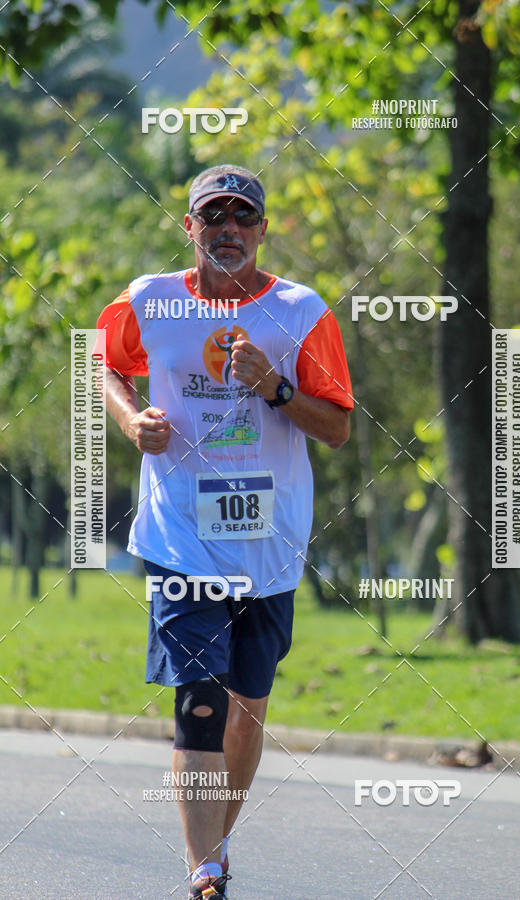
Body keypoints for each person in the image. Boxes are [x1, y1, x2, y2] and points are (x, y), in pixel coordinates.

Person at [97, 164, 353, 899]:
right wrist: (129, 418)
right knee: (200, 702)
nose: (229, 229)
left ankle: (218, 840)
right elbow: (101, 362)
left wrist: (274, 386)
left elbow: (335, 427)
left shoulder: (301, 312)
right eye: (215, 217)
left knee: (246, 711)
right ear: (190, 228)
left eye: (243, 217)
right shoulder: (149, 300)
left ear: (263, 229)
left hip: (269, 545)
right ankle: (203, 870)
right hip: (181, 537)